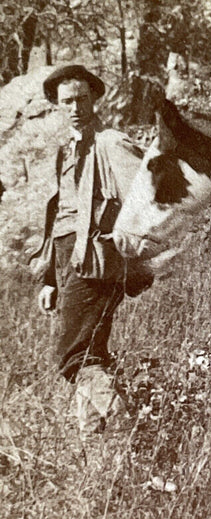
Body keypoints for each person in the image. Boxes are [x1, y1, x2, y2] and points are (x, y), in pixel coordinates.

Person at [31, 65, 152, 439]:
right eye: (66, 101)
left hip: (100, 260)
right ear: (56, 105)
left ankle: (133, 430)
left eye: (81, 98)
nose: (74, 107)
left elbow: (145, 200)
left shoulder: (111, 142)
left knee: (73, 356)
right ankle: (97, 452)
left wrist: (131, 255)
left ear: (94, 99)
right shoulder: (64, 150)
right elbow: (60, 217)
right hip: (68, 257)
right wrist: (50, 278)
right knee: (90, 354)